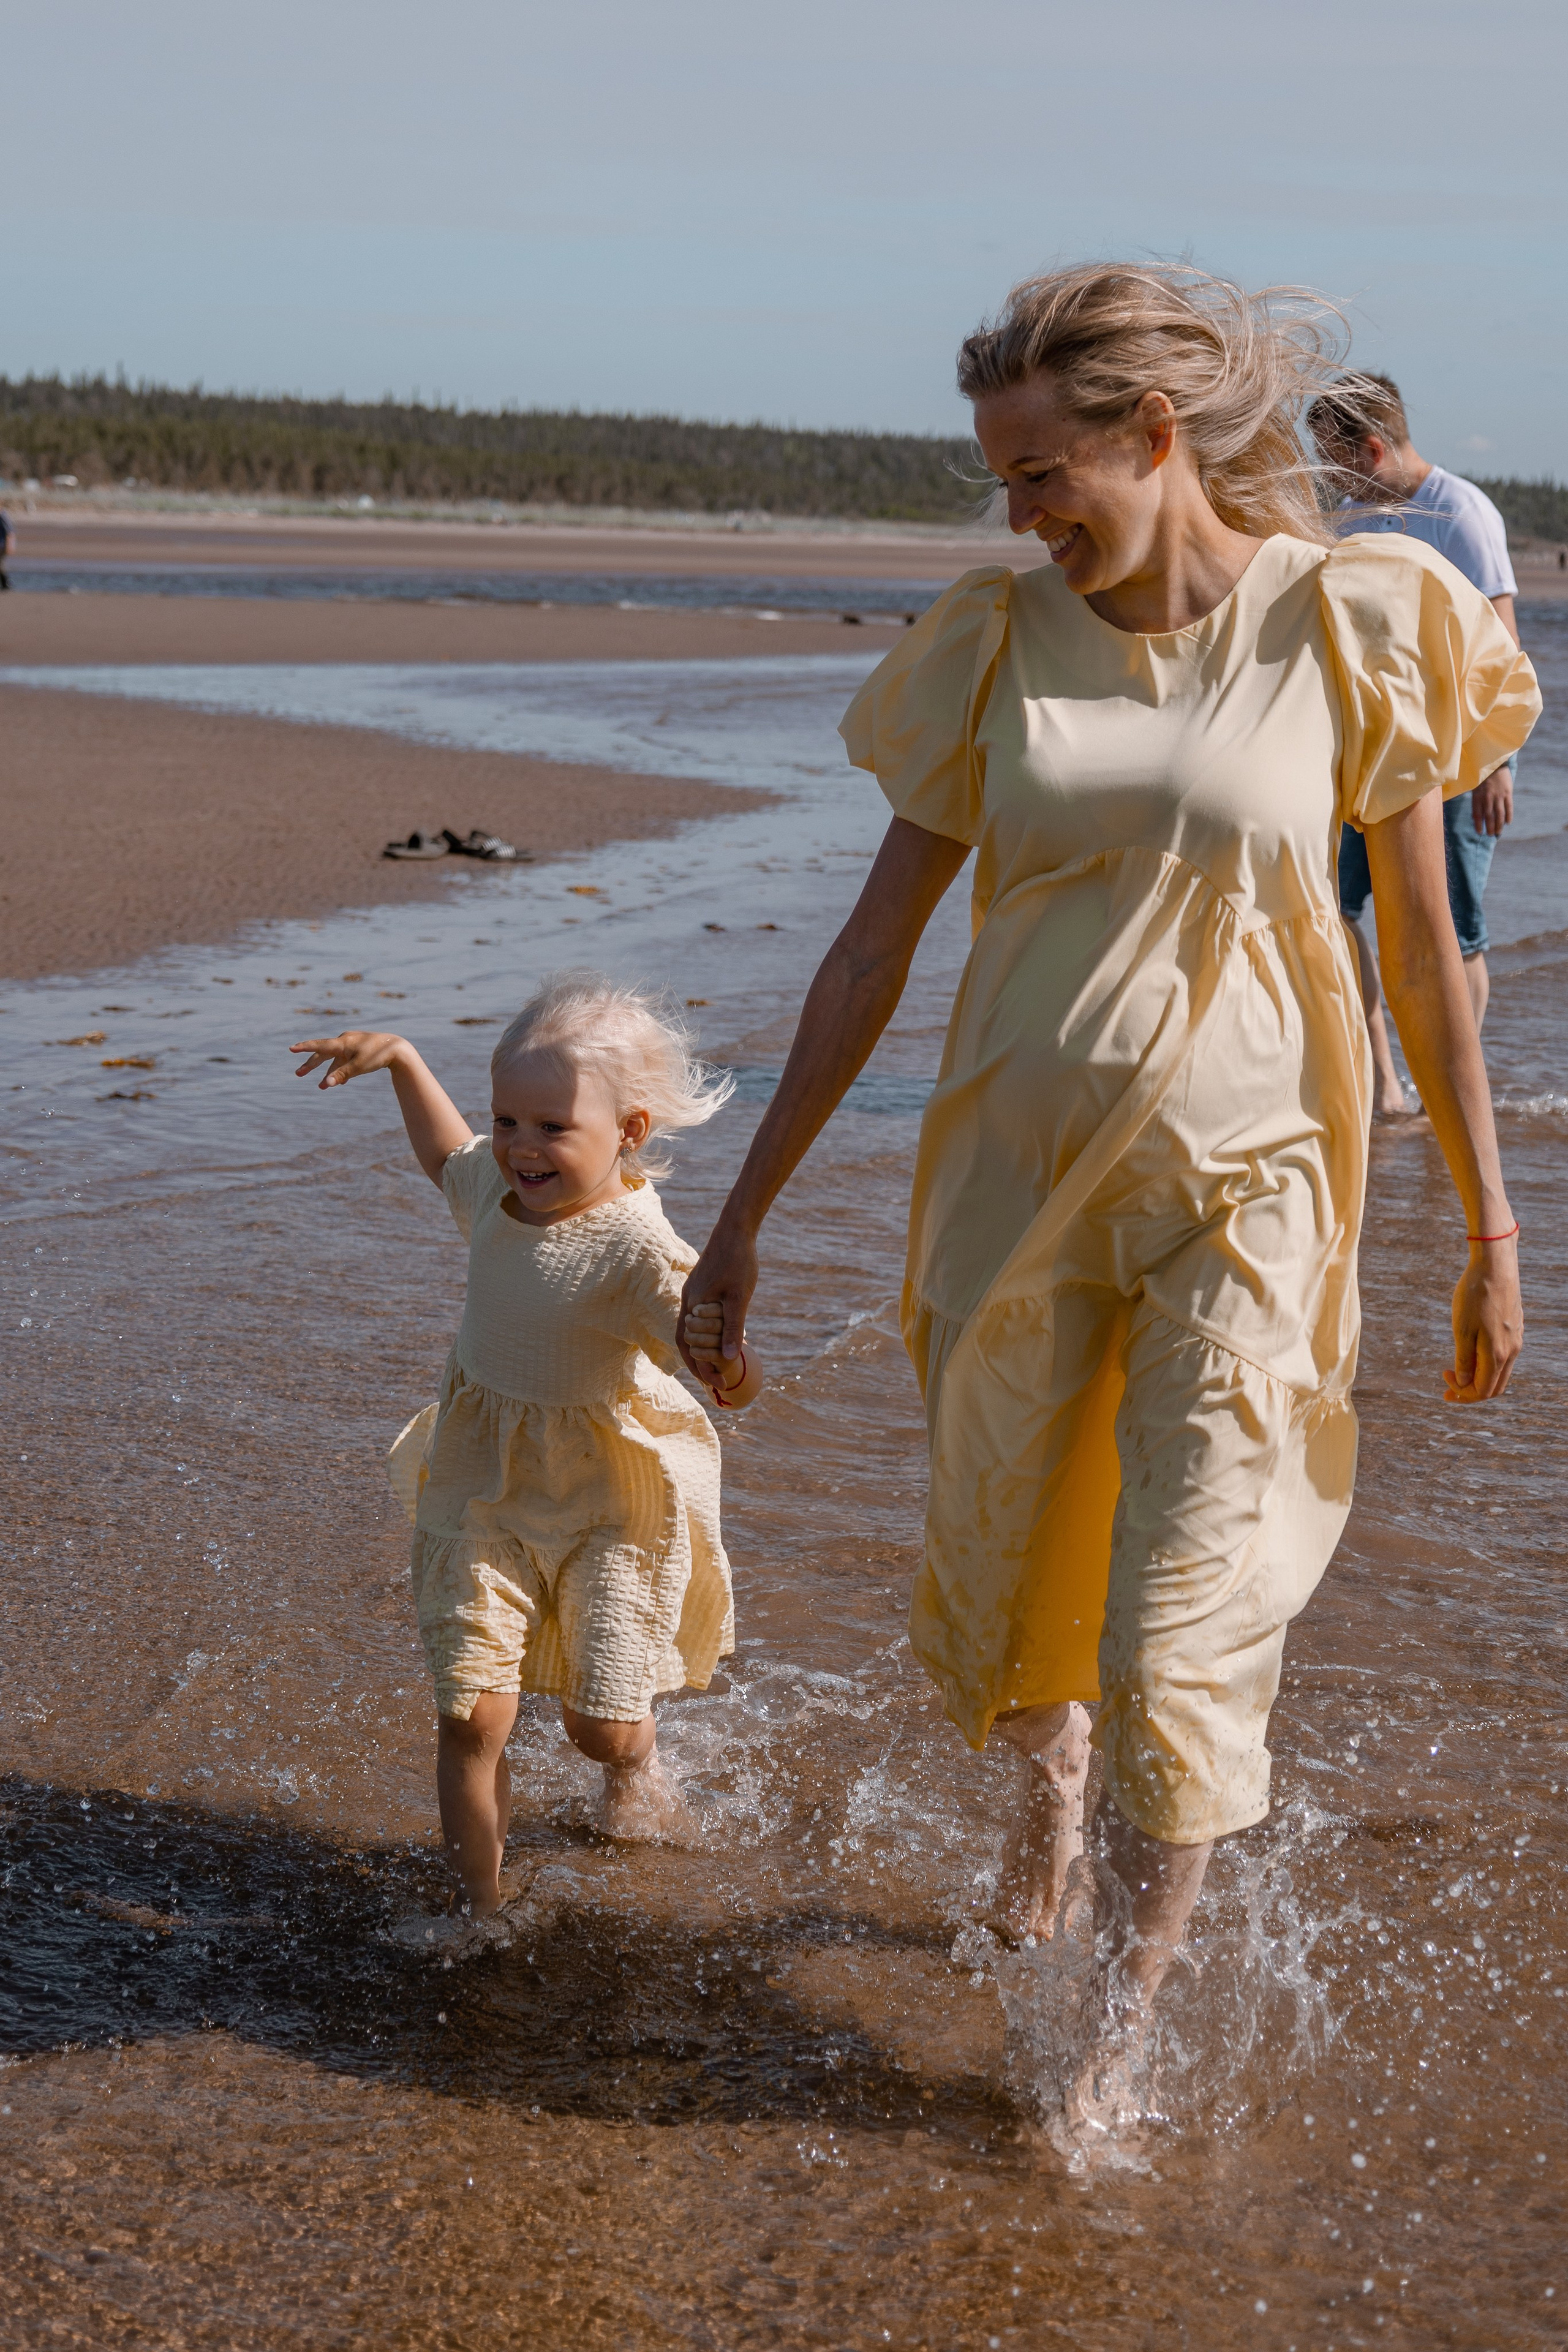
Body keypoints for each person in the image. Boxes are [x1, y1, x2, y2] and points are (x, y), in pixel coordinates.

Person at [678, 264, 1537, 2141]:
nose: (1017, 514)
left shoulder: (1355, 619)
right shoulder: (993, 640)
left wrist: (1487, 1222)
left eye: (1041, 472)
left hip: (1263, 1186)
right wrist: (739, 1216)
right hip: (1010, 1190)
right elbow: (866, 953)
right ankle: (1049, 1795)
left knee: (1186, 1619)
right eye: (998, 481)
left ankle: (1114, 2038)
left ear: (1153, 439)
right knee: (1017, 1579)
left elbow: (1419, 957)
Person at [291, 972, 761, 1936]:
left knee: (598, 1729)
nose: (519, 1149)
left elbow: (716, 1363)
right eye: (510, 1120)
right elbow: (446, 1153)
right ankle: (482, 1911)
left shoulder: (637, 1247)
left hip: (608, 1507)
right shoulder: (494, 1197)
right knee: (472, 1713)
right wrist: (404, 1061)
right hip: (484, 1490)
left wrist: (730, 1361)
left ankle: (636, 1762)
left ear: (629, 1132)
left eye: (551, 1127)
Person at [1309, 375, 1521, 1090]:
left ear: (1370, 449)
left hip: (1452, 764)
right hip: (1356, 759)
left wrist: (1498, 768)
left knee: (1450, 931)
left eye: (1331, 459)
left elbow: (1501, 646)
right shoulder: (1347, 517)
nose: (1327, 477)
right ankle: (1386, 1083)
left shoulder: (1459, 513)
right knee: (1334, 909)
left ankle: (1450, 1083)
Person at [0, 507, 13, 590]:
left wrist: (9, 546)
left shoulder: (3, 515)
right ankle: (5, 584)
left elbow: (10, 532)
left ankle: (6, 584)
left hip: (2, 545)